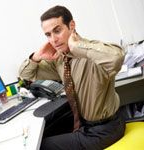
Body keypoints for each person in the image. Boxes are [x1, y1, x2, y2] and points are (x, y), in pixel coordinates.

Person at [18, 5, 125, 150]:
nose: (53, 39)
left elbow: (117, 57)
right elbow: (26, 74)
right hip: (84, 125)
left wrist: (77, 46)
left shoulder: (92, 53)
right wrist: (36, 57)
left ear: (71, 25)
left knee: (42, 147)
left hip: (104, 129)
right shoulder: (60, 60)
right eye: (48, 35)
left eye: (57, 31)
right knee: (38, 137)